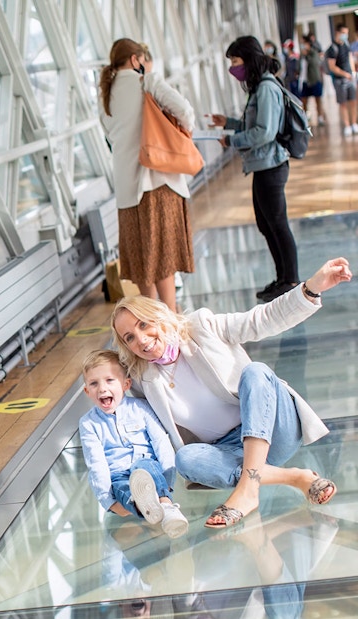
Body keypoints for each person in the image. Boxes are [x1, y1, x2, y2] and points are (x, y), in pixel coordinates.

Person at [110, 257, 352, 529]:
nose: (140, 339)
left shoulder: (201, 326)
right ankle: (293, 477)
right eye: (129, 337)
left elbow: (262, 319)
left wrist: (310, 289)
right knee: (186, 459)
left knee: (256, 372)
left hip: (275, 431)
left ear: (159, 316)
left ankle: (248, 491)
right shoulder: (143, 380)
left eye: (143, 324)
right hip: (226, 453)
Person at [98, 38, 195, 312]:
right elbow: (186, 113)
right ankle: (171, 316)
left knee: (141, 258)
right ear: (135, 60)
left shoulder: (105, 94)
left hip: (126, 189)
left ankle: (151, 317)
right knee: (162, 253)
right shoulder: (146, 83)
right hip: (156, 180)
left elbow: (110, 137)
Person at [211, 35, 299, 302]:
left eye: (236, 61)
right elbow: (255, 125)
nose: (233, 68)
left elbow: (264, 132)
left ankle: (291, 280)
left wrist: (232, 140)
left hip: (271, 165)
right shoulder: (258, 88)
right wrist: (229, 123)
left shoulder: (266, 88)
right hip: (262, 165)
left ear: (249, 60)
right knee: (266, 223)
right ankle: (282, 277)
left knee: (277, 223)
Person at [79, 349, 189, 538]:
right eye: (94, 384)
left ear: (125, 384)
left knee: (144, 467)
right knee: (122, 489)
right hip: (118, 474)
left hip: (147, 466)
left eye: (109, 380)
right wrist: (109, 502)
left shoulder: (140, 408)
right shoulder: (88, 424)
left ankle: (165, 504)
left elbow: (160, 441)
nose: (102, 388)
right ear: (87, 391)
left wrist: (168, 479)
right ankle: (145, 508)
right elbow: (96, 463)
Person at [325, 23, 358, 137]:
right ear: (337, 33)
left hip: (350, 78)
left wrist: (353, 73)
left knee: (353, 101)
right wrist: (345, 74)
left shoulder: (346, 45)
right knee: (343, 103)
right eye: (343, 33)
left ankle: (354, 123)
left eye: (347, 33)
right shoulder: (331, 49)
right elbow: (332, 67)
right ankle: (347, 125)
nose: (345, 35)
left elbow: (350, 59)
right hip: (339, 80)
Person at [299, 35, 325, 126]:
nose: (302, 45)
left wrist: (307, 55)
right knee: (304, 100)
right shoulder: (301, 55)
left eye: (304, 43)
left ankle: (320, 117)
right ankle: (305, 117)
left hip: (314, 79)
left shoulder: (313, 53)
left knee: (318, 99)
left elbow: (315, 64)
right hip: (305, 81)